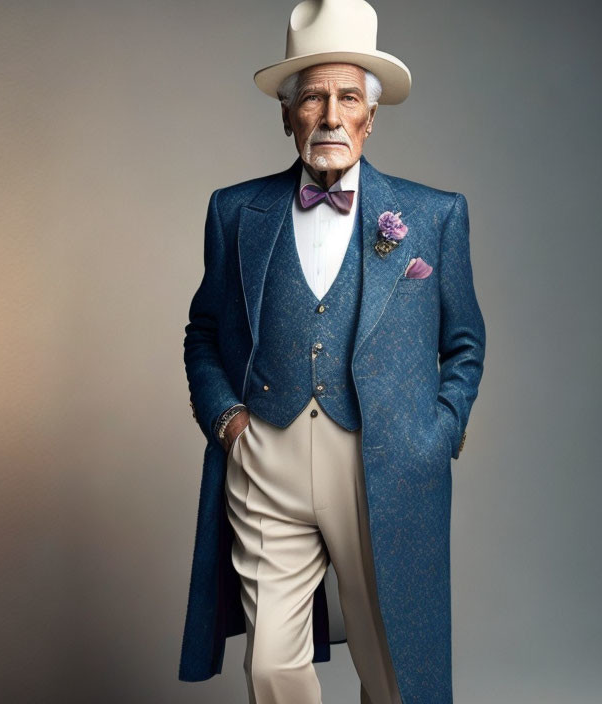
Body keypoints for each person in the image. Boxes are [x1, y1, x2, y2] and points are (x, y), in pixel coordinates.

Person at [178, 1, 486, 702]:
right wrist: (228, 421)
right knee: (271, 667)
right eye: (312, 97)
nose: (329, 114)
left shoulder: (433, 216)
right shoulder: (236, 212)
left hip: (382, 460)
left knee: (391, 667)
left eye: (348, 97)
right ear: (286, 115)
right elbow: (203, 332)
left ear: (370, 118)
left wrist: (433, 437)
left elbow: (464, 342)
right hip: (267, 457)